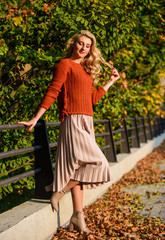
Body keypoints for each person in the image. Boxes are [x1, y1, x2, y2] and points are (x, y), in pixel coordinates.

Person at [18, 30, 120, 234]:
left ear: (91, 49)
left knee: (79, 167)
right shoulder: (64, 65)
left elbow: (93, 99)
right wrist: (36, 118)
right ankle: (60, 191)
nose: (83, 48)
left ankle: (77, 216)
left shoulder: (86, 70)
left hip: (87, 121)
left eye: (88, 46)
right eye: (80, 44)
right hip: (72, 119)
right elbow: (53, 90)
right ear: (73, 44)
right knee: (99, 162)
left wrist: (110, 82)